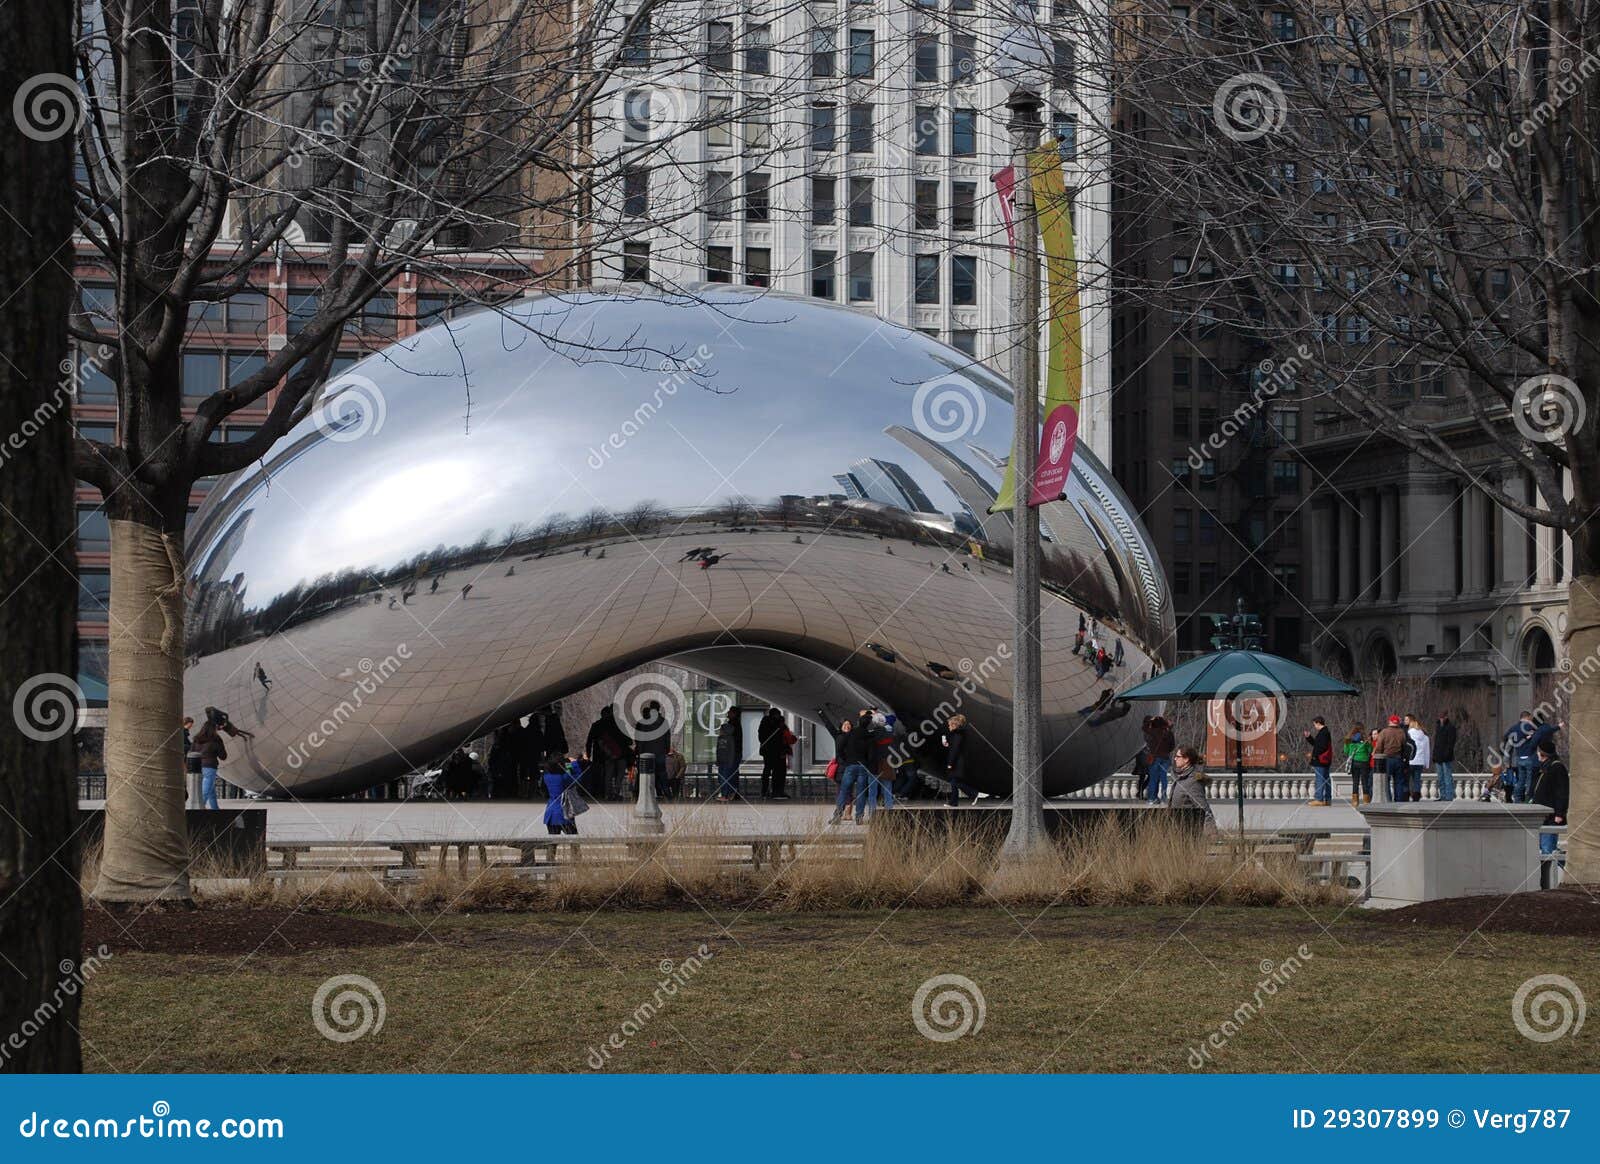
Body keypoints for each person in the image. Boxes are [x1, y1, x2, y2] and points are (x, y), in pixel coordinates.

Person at [191, 706, 252, 810]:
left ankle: (215, 809)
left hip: (197, 766)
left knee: (211, 789)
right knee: (206, 788)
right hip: (209, 765)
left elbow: (191, 752)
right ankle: (199, 807)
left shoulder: (196, 739)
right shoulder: (216, 739)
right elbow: (223, 756)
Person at [828, 714, 872, 822]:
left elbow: (840, 748)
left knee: (843, 791)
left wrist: (845, 759)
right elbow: (871, 753)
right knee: (861, 792)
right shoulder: (869, 735)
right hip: (863, 766)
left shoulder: (850, 734)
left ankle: (837, 815)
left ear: (858, 723)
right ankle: (859, 817)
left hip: (850, 765)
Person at [1530, 740, 1569, 861]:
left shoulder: (1557, 767)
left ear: (1542, 753)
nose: (1536, 754)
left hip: (1551, 817)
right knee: (1543, 849)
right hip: (1540, 816)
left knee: (1548, 851)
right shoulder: (1544, 767)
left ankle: (1560, 873)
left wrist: (1559, 813)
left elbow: (1562, 792)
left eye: (1538, 751)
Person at [585, 706, 633, 800]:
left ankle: (607, 793)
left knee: (608, 775)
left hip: (606, 754)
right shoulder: (619, 723)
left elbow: (590, 740)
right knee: (620, 774)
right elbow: (627, 739)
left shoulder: (597, 725)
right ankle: (616, 792)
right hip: (620, 753)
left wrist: (589, 753)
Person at [856, 712, 896, 821]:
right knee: (887, 791)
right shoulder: (890, 734)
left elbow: (867, 751)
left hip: (873, 765)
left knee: (872, 792)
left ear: (873, 723)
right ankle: (889, 815)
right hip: (887, 764)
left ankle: (872, 815)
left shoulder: (870, 735)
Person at [1167, 745, 1216, 829]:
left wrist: (1211, 835)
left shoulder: (1193, 781)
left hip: (1189, 832)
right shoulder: (1180, 777)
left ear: (1186, 759)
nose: (1175, 759)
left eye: (1178, 756)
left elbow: (1204, 810)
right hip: (1177, 831)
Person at [943, 713, 979, 807]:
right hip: (958, 761)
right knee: (954, 782)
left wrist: (950, 763)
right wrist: (948, 745)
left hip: (957, 762)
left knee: (955, 782)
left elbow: (955, 750)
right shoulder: (957, 735)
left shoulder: (957, 735)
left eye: (950, 725)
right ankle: (954, 802)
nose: (948, 726)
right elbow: (954, 747)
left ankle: (974, 793)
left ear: (954, 725)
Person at [1502, 711, 1539, 802]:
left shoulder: (1513, 728)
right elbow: (1539, 734)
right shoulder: (1529, 726)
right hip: (1529, 757)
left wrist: (1506, 762)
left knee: (1520, 780)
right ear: (1528, 717)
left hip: (1518, 758)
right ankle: (1528, 798)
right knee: (1529, 779)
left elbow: (1506, 740)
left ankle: (1517, 798)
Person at [1374, 715, 1409, 803]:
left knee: (1386, 781)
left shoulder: (1384, 732)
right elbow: (1405, 746)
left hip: (1387, 759)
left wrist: (1378, 755)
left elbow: (1379, 746)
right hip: (1398, 759)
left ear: (1390, 722)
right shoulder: (1401, 732)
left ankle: (1388, 799)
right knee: (1399, 782)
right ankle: (1399, 800)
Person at [542, 756, 580, 835]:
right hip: (565, 813)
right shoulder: (565, 778)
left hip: (551, 814)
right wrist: (573, 763)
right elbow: (578, 777)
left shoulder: (547, 777)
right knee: (573, 840)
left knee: (552, 842)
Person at [756, 707, 788, 799]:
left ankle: (777, 791)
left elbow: (784, 735)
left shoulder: (781, 723)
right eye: (776, 715)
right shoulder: (766, 722)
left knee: (778, 772)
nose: (777, 717)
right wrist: (776, 727)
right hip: (768, 751)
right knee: (767, 771)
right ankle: (765, 791)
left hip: (779, 751)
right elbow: (762, 736)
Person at [1143, 714, 1175, 804]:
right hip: (1165, 758)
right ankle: (1164, 797)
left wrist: (1151, 720)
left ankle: (1151, 798)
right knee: (1163, 778)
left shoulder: (1155, 731)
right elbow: (1172, 746)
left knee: (1153, 779)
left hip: (1155, 758)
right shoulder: (1170, 734)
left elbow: (1144, 728)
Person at [714, 706, 743, 802]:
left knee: (727, 775)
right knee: (732, 774)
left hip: (730, 757)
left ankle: (728, 794)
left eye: (730, 712)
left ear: (734, 713)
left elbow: (729, 748)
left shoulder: (732, 727)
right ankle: (733, 793)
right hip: (732, 756)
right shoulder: (736, 725)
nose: (728, 713)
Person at [1304, 715, 1334, 806]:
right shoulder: (1324, 732)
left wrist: (1315, 756)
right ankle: (1327, 799)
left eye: (1314, 724)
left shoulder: (1323, 732)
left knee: (1320, 779)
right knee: (1326, 779)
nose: (1314, 726)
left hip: (1320, 760)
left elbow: (1321, 747)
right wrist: (1309, 738)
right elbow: (1317, 744)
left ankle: (1319, 799)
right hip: (1325, 760)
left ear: (1318, 723)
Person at [1343, 722, 1372, 805]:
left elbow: (1346, 752)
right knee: (1364, 781)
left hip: (1354, 762)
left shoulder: (1349, 740)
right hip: (1364, 762)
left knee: (1355, 781)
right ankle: (1366, 800)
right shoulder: (1366, 740)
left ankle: (1355, 801)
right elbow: (1370, 750)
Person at [1433, 711, 1458, 801]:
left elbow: (1451, 743)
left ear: (1446, 717)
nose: (1441, 719)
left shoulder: (1451, 728)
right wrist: (1434, 755)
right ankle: (1442, 795)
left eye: (1443, 717)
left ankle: (1449, 796)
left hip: (1446, 757)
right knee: (1440, 777)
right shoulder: (1438, 727)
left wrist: (1446, 754)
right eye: (1440, 717)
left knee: (1447, 777)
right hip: (1438, 756)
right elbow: (1436, 743)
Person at [1405, 714, 1431, 802]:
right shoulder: (1425, 737)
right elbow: (1427, 752)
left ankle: (1407, 793)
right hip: (1420, 761)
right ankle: (1416, 795)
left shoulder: (1408, 734)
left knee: (1408, 779)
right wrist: (1426, 764)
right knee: (1417, 780)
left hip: (1410, 761)